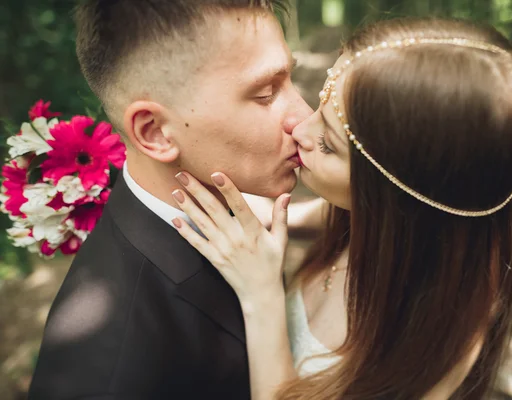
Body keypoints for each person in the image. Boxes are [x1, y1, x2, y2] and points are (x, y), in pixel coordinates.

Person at [172, 18, 512, 399]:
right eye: (320, 104)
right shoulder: (386, 224)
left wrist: (261, 295)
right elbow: (313, 216)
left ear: (396, 195)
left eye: (329, 144)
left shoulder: (435, 348)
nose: (300, 129)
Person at [29, 0, 311, 399]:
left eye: (290, 81)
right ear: (155, 133)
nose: (304, 116)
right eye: (265, 94)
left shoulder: (222, 200)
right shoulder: (112, 366)